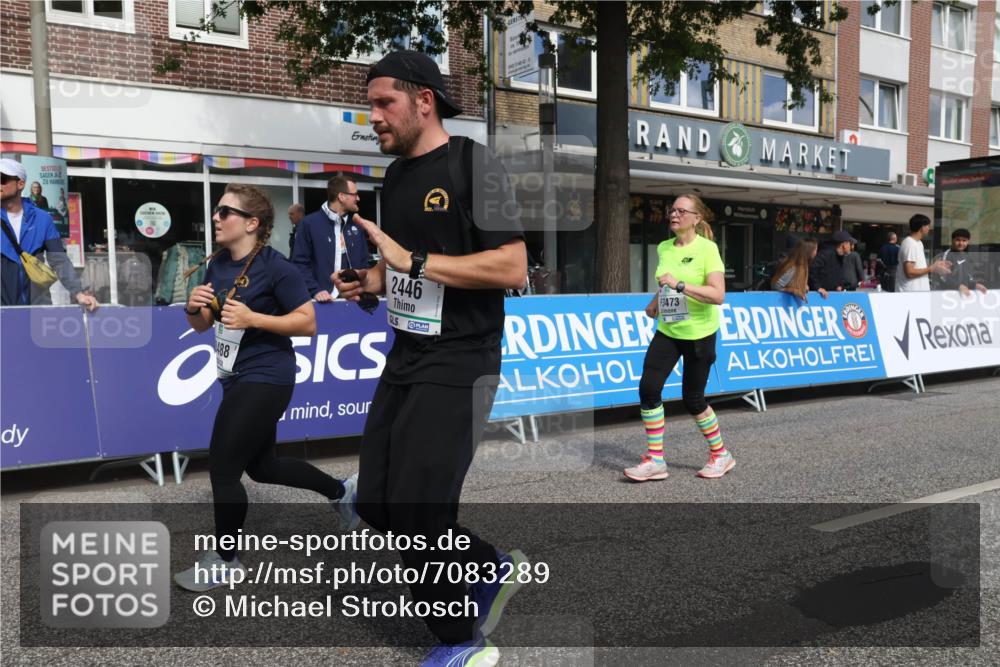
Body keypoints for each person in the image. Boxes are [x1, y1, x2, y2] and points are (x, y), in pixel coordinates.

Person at [333, 50, 527, 666]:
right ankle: (487, 565)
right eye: (369, 106)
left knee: (419, 509)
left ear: (424, 99)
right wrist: (371, 282)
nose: (374, 117)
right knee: (374, 503)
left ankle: (463, 647)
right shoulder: (395, 179)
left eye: (383, 102)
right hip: (408, 354)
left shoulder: (475, 163)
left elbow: (512, 266)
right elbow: (406, 268)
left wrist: (409, 264)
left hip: (463, 359)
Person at [174, 183, 357, 592]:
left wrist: (256, 319)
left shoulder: (278, 268)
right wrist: (193, 308)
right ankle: (343, 492)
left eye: (226, 212)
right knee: (262, 466)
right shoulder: (219, 263)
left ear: (252, 223)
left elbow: (307, 324)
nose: (217, 218)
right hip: (235, 375)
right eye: (217, 211)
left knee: (223, 467)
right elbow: (204, 325)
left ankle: (225, 560)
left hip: (268, 376)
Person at [625, 194, 731, 482]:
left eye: (682, 211)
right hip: (669, 330)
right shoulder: (664, 247)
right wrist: (656, 300)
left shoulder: (708, 249)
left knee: (693, 399)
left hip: (700, 333)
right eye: (672, 210)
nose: (674, 214)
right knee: (648, 387)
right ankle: (656, 459)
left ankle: (721, 454)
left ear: (696, 218)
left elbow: (717, 295)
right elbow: (666, 283)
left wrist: (679, 285)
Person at [0, 159, 98, 310]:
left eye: (2, 179)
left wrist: (78, 293)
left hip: (36, 308)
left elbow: (59, 259)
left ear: (20, 184)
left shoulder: (42, 219)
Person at [291, 173, 369, 302]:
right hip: (321, 302)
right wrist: (315, 290)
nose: (358, 198)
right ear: (341, 197)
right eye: (355, 194)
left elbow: (364, 264)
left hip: (353, 301)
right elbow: (300, 264)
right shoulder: (309, 224)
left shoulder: (357, 226)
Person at [896, 214, 951, 292]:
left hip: (918, 293)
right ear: (922, 227)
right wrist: (931, 268)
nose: (929, 228)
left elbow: (918, 267)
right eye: (928, 226)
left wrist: (937, 266)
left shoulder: (918, 243)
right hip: (910, 294)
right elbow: (909, 272)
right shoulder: (910, 244)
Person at [932, 228, 988, 296]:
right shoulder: (946, 256)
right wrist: (958, 286)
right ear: (952, 240)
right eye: (958, 240)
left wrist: (975, 285)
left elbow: (968, 277)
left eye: (964, 240)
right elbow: (942, 277)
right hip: (946, 296)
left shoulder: (967, 256)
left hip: (962, 296)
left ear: (968, 242)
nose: (961, 243)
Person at [808, 229, 855, 298]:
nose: (851, 246)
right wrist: (818, 287)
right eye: (849, 243)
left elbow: (838, 275)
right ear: (844, 245)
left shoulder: (840, 257)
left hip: (832, 297)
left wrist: (840, 286)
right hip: (818, 297)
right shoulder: (824, 254)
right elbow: (812, 271)